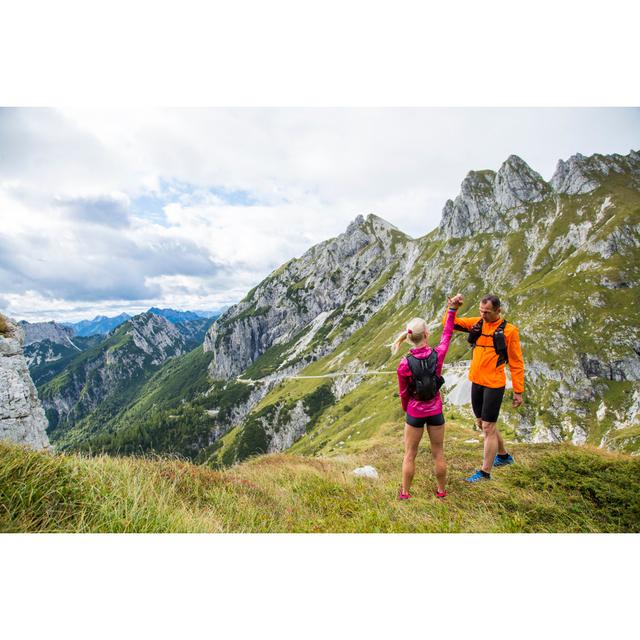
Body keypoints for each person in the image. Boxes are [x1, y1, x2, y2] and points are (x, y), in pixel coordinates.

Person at [444, 294, 525, 482]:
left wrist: (518, 391)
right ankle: (503, 456)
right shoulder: (477, 324)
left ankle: (485, 473)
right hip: (476, 381)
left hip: (494, 384)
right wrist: (453, 308)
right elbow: (449, 324)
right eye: (481, 311)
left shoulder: (510, 331)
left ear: (498, 311)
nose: (483, 315)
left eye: (487, 312)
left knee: (488, 427)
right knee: (482, 423)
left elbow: (516, 362)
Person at [393, 294, 463, 500]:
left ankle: (405, 493)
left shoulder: (404, 364)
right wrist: (451, 310)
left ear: (408, 337)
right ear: (426, 333)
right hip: (435, 410)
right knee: (438, 452)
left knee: (409, 454)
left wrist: (409, 410)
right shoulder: (437, 354)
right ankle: (441, 491)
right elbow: (447, 334)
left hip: (415, 412)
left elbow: (404, 393)